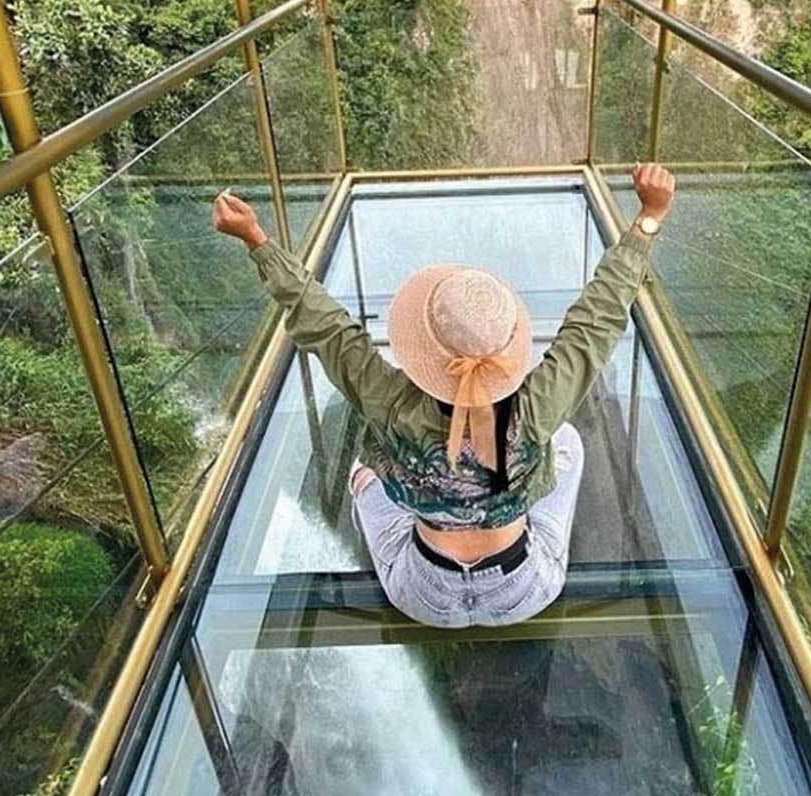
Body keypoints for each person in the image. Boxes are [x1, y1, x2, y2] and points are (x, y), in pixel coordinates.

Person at [213, 163, 675, 628]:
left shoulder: (390, 402)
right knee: (567, 442)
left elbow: (325, 326)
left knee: (361, 472)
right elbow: (597, 319)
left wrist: (256, 238)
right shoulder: (537, 407)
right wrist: (648, 217)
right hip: (525, 588)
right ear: (508, 349)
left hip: (420, 592)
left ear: (422, 353)